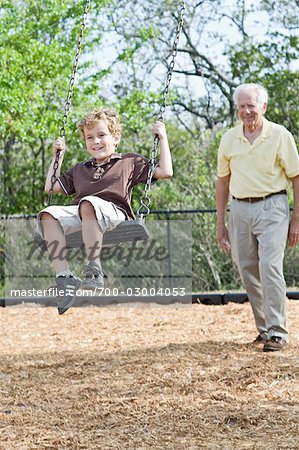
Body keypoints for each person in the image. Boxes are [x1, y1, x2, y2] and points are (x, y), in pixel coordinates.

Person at [36, 108, 173, 315]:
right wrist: (59, 157)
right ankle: (65, 278)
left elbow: (166, 171)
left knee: (88, 203)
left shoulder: (129, 161)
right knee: (48, 214)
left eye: (101, 135)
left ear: (115, 137)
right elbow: (51, 187)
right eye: (89, 137)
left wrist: (162, 138)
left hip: (114, 214)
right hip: (85, 213)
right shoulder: (80, 169)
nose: (96, 141)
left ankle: (94, 268)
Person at [216, 83, 299, 352]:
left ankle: (278, 332)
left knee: (269, 267)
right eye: (241, 106)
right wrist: (221, 223)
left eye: (251, 105)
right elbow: (223, 181)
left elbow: (296, 177)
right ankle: (264, 329)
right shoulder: (229, 138)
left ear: (263, 106)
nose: (246, 111)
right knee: (246, 267)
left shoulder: (279, 135)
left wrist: (296, 219)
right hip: (239, 208)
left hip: (273, 206)